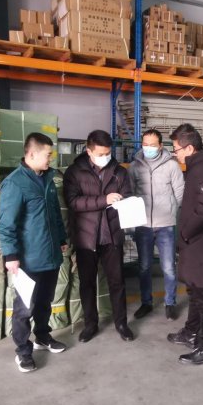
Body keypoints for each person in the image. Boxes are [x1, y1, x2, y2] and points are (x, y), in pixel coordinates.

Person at [0, 132, 69, 373]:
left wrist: (61, 238)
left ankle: (42, 336)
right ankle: (23, 351)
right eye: (47, 154)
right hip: (28, 258)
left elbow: (55, 213)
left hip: (50, 254)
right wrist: (11, 255)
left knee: (44, 301)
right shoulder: (15, 183)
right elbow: (6, 224)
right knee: (24, 308)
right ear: (31, 154)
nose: (51, 158)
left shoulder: (48, 178)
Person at [63, 130, 135, 343]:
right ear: (89, 151)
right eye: (101, 154)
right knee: (87, 283)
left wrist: (126, 203)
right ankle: (90, 324)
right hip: (86, 236)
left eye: (108, 153)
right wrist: (104, 200)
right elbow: (73, 202)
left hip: (112, 235)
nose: (106, 157)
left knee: (117, 281)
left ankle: (121, 323)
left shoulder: (119, 172)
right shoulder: (75, 172)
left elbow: (128, 196)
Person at [166, 123, 203, 365]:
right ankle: (191, 332)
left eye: (177, 150)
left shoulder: (202, 170)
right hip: (197, 245)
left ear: (190, 148)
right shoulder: (199, 166)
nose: (176, 154)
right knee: (194, 291)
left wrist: (186, 232)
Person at [128, 129, 184, 320]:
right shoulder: (134, 167)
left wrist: (171, 212)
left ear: (160, 146)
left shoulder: (172, 166)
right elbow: (130, 193)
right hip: (143, 225)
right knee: (144, 266)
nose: (148, 148)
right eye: (145, 144)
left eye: (152, 145)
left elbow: (180, 192)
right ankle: (146, 302)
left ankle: (170, 303)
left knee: (168, 267)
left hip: (165, 225)